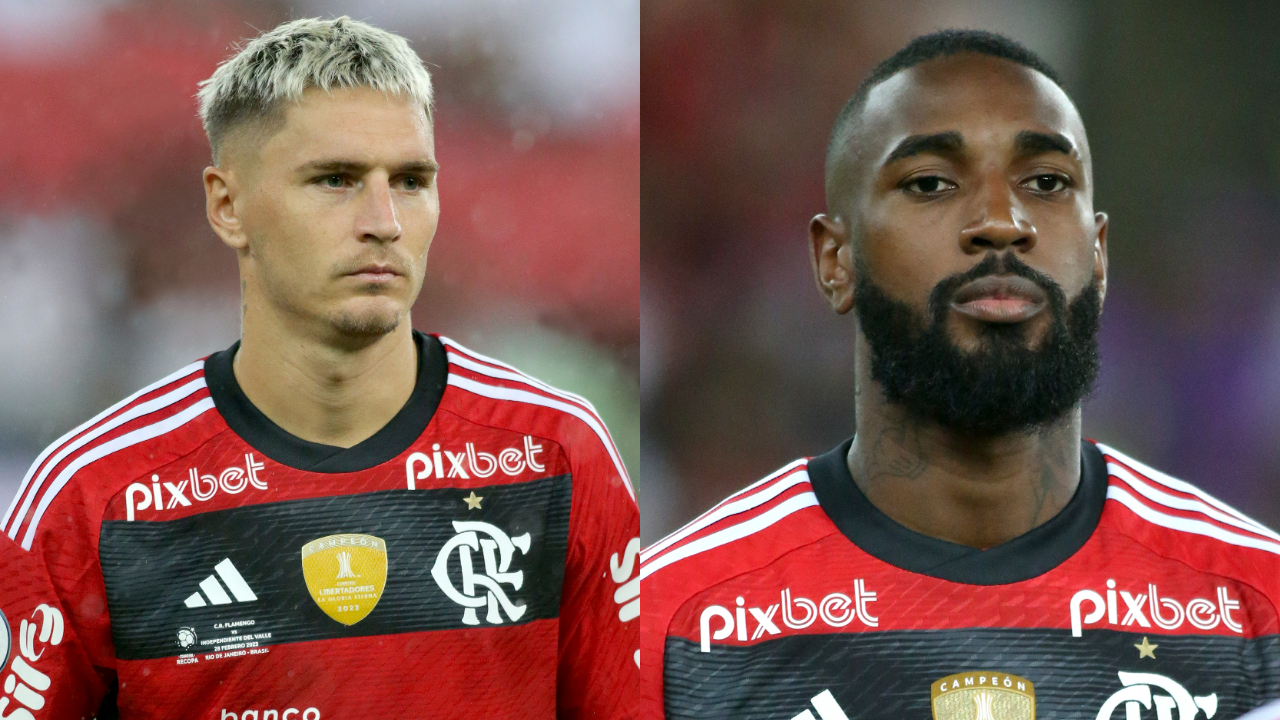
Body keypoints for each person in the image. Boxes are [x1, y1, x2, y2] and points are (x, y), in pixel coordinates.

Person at [0, 17, 638, 719]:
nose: (383, 220)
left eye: (411, 180)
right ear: (227, 204)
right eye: (335, 180)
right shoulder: (93, 497)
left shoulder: (554, 455)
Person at [641, 30, 1280, 719]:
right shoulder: (674, 629)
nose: (1001, 223)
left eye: (1045, 183)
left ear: (1098, 255)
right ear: (835, 260)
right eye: (931, 184)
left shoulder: (1256, 609)